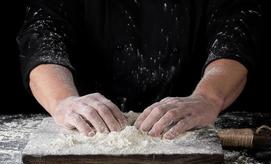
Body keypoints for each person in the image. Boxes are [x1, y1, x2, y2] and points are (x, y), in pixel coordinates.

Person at [17, 0, 263, 139]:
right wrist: (63, 100)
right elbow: (43, 34)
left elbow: (237, 31)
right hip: (91, 134)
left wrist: (208, 98)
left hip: (190, 129)